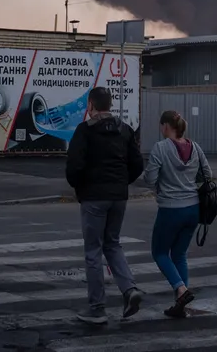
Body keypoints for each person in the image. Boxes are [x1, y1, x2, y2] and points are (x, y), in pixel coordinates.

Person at [65, 86, 146, 325]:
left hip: (93, 198)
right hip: (118, 197)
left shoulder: (84, 131)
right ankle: (129, 289)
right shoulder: (125, 130)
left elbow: (74, 167)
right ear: (109, 105)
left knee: (93, 251)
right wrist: (122, 183)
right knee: (112, 244)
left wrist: (81, 188)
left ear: (91, 105)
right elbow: (137, 164)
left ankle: (97, 308)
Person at [143, 109, 213, 318]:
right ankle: (180, 305)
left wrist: (163, 184)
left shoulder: (160, 148)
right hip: (193, 209)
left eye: (160, 125)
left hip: (171, 209)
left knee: (160, 252)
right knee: (179, 254)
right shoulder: (195, 147)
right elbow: (208, 174)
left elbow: (149, 179)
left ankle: (181, 290)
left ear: (166, 126)